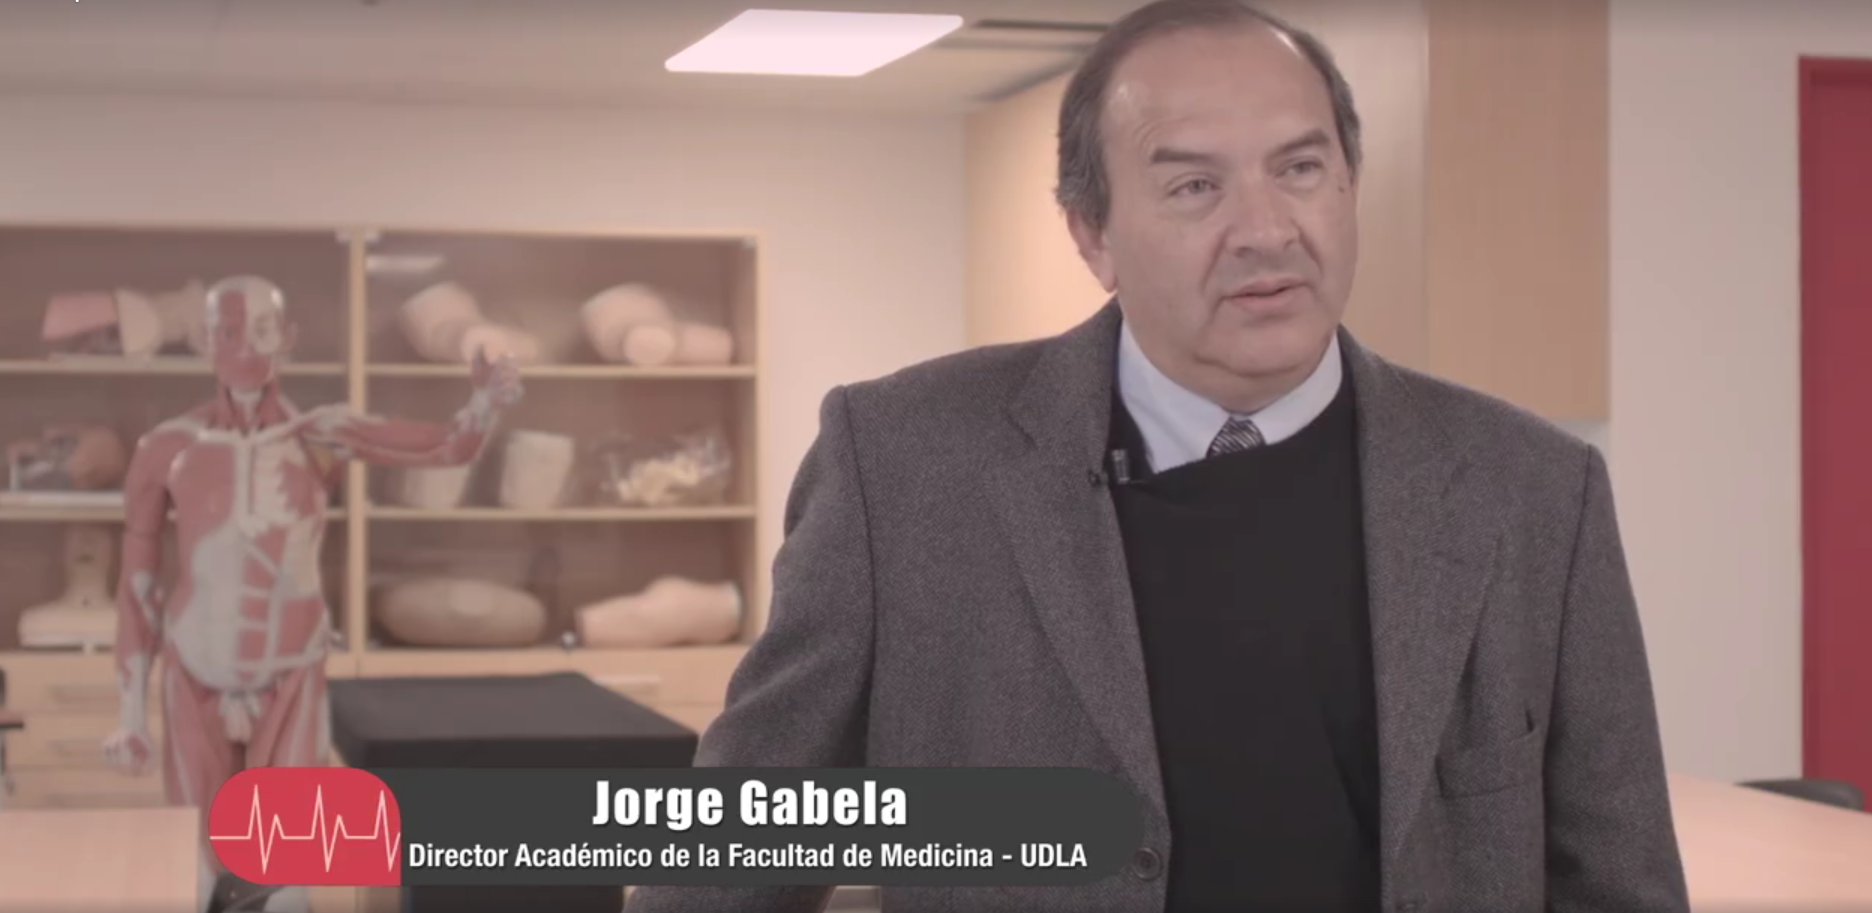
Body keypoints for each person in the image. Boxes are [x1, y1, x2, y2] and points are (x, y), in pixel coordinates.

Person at [625, 1, 1688, 910]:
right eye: (1194, 187)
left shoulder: (1531, 490)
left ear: (1350, 185)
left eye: (1301, 168)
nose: (1267, 229)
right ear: (1092, 235)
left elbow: (1618, 877)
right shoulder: (900, 464)